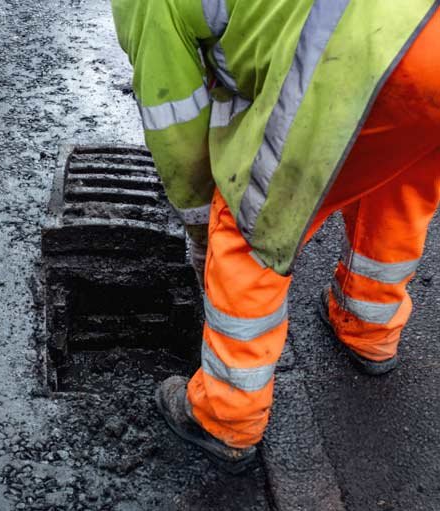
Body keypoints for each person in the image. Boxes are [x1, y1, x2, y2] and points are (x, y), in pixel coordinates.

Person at [111, 0, 440, 473]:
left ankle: (225, 416)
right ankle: (368, 329)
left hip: (360, 39)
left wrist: (203, 223)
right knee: (396, 179)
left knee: (250, 220)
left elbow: (175, 122)